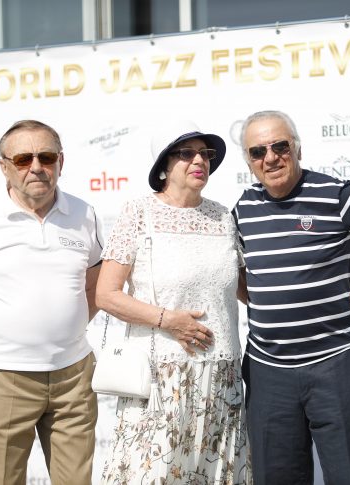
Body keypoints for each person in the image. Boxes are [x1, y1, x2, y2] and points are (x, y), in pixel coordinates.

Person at [233, 110, 350, 485]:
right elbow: (242, 276)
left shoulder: (336, 194)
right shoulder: (243, 208)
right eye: (258, 152)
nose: (270, 158)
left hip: (334, 367)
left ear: (297, 149)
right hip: (267, 373)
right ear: (249, 161)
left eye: (279, 146)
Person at [0, 120, 102, 485]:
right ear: (4, 167)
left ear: (61, 162)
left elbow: (95, 288)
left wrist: (65, 333)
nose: (36, 167)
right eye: (23, 159)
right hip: (3, 380)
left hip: (73, 377)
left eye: (47, 157)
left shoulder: (84, 215)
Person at [96, 120, 250, 484]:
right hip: (163, 380)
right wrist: (168, 320)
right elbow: (106, 295)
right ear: (164, 165)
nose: (199, 160)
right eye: (186, 153)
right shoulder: (139, 213)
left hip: (223, 377)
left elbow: (246, 291)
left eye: (205, 153)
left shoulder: (224, 218)